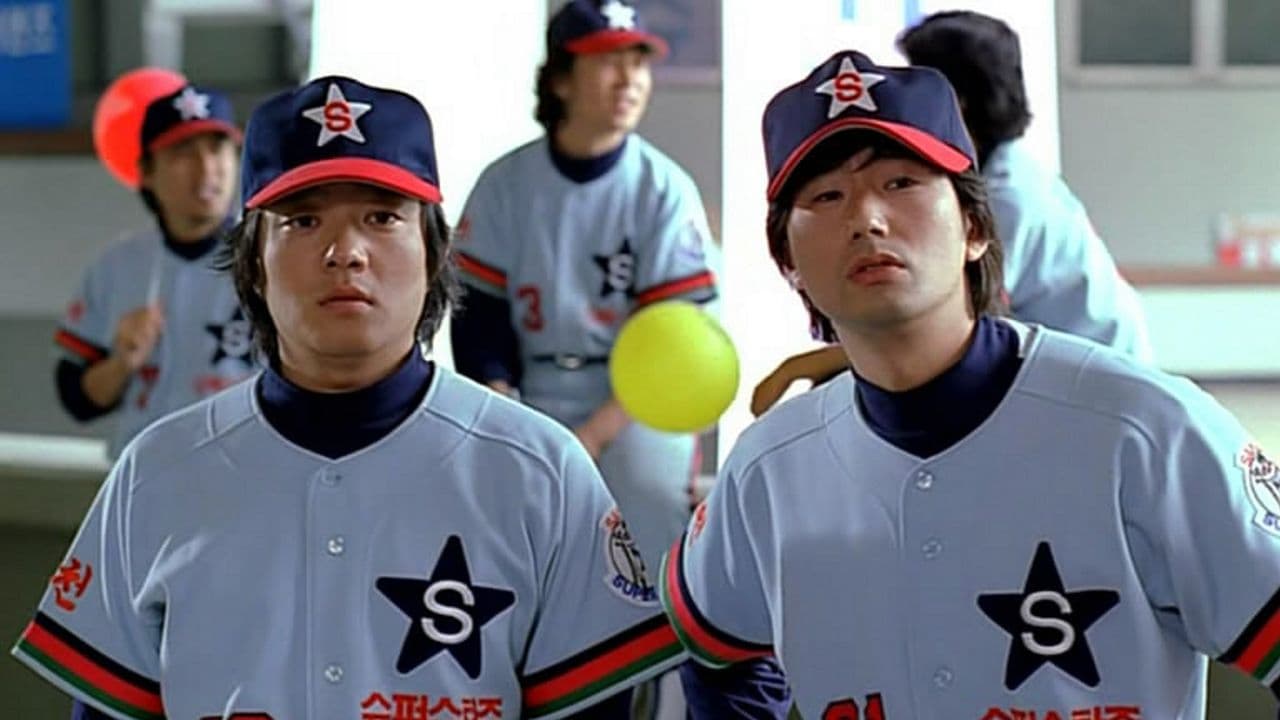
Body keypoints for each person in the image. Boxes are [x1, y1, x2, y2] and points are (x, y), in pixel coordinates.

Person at [13, 74, 684, 720]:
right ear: (252, 264)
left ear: (434, 253)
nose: (345, 252)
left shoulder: (542, 469)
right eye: (303, 220)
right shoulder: (156, 470)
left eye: (382, 216)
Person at [661, 50, 1280, 719]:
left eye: (901, 182)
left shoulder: (1144, 428)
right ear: (788, 261)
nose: (867, 219)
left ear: (976, 229)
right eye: (826, 197)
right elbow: (717, 657)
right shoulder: (768, 466)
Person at [750, 11, 1152, 416]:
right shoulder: (1007, 169)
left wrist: (801, 367)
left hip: (1093, 388)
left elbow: (952, 329)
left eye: (899, 184)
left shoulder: (1008, 197)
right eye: (828, 196)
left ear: (958, 100)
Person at [450, 0, 718, 572]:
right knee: (499, 520)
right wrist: (503, 411)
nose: (629, 80)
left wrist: (590, 437)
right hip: (529, 391)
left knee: (648, 502)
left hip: (633, 403)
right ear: (561, 80)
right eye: (608, 62)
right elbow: (477, 320)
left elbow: (677, 343)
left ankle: (662, 632)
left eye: (638, 63)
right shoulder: (504, 183)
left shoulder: (664, 188)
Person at [54, 83, 253, 458]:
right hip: (143, 474)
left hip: (245, 470)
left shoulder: (271, 260)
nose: (206, 169)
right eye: (183, 152)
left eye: (217, 148)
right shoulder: (117, 265)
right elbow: (76, 398)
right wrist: (122, 363)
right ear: (146, 171)